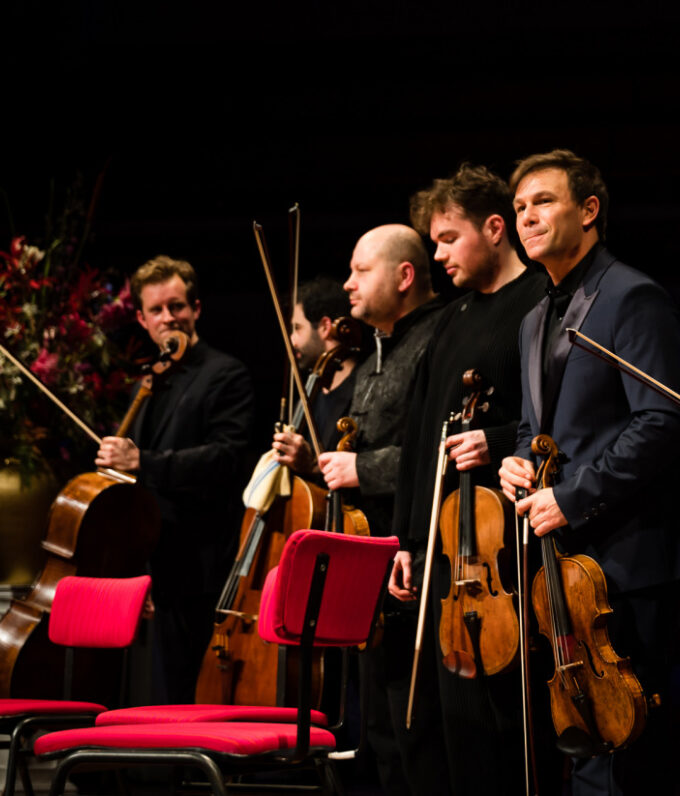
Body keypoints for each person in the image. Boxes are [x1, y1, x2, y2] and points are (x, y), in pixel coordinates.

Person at [498, 149, 680, 795]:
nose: (527, 216)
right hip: (567, 559)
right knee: (583, 740)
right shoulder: (535, 314)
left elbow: (664, 422)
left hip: (632, 552)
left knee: (628, 747)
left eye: (543, 201)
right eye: (520, 206)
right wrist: (520, 465)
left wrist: (572, 496)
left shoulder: (630, 295)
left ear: (589, 211)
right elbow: (548, 432)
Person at [388, 163, 547, 795]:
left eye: (449, 238)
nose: (437, 254)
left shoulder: (538, 302)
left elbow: (549, 423)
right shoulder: (448, 321)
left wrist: (500, 438)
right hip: (440, 554)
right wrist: (403, 541)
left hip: (499, 553)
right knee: (436, 735)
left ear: (495, 228)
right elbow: (418, 441)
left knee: (496, 733)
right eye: (433, 241)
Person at [95, 255, 254, 704]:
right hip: (158, 560)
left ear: (197, 308)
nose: (170, 318)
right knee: (165, 694)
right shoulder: (148, 383)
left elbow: (226, 459)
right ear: (143, 320)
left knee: (202, 691)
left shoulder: (225, 374)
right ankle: (168, 775)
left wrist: (141, 460)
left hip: (205, 560)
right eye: (158, 311)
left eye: (178, 306)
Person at [324, 224, 446, 795]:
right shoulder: (373, 349)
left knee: (407, 727)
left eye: (360, 271)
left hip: (412, 555)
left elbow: (437, 452)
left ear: (403, 276)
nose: (348, 285)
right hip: (363, 558)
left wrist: (362, 469)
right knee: (372, 722)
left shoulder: (436, 339)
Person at [273, 276, 363, 469]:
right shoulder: (311, 393)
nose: (292, 340)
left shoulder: (362, 390)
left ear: (324, 327)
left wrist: (311, 465)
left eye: (297, 328)